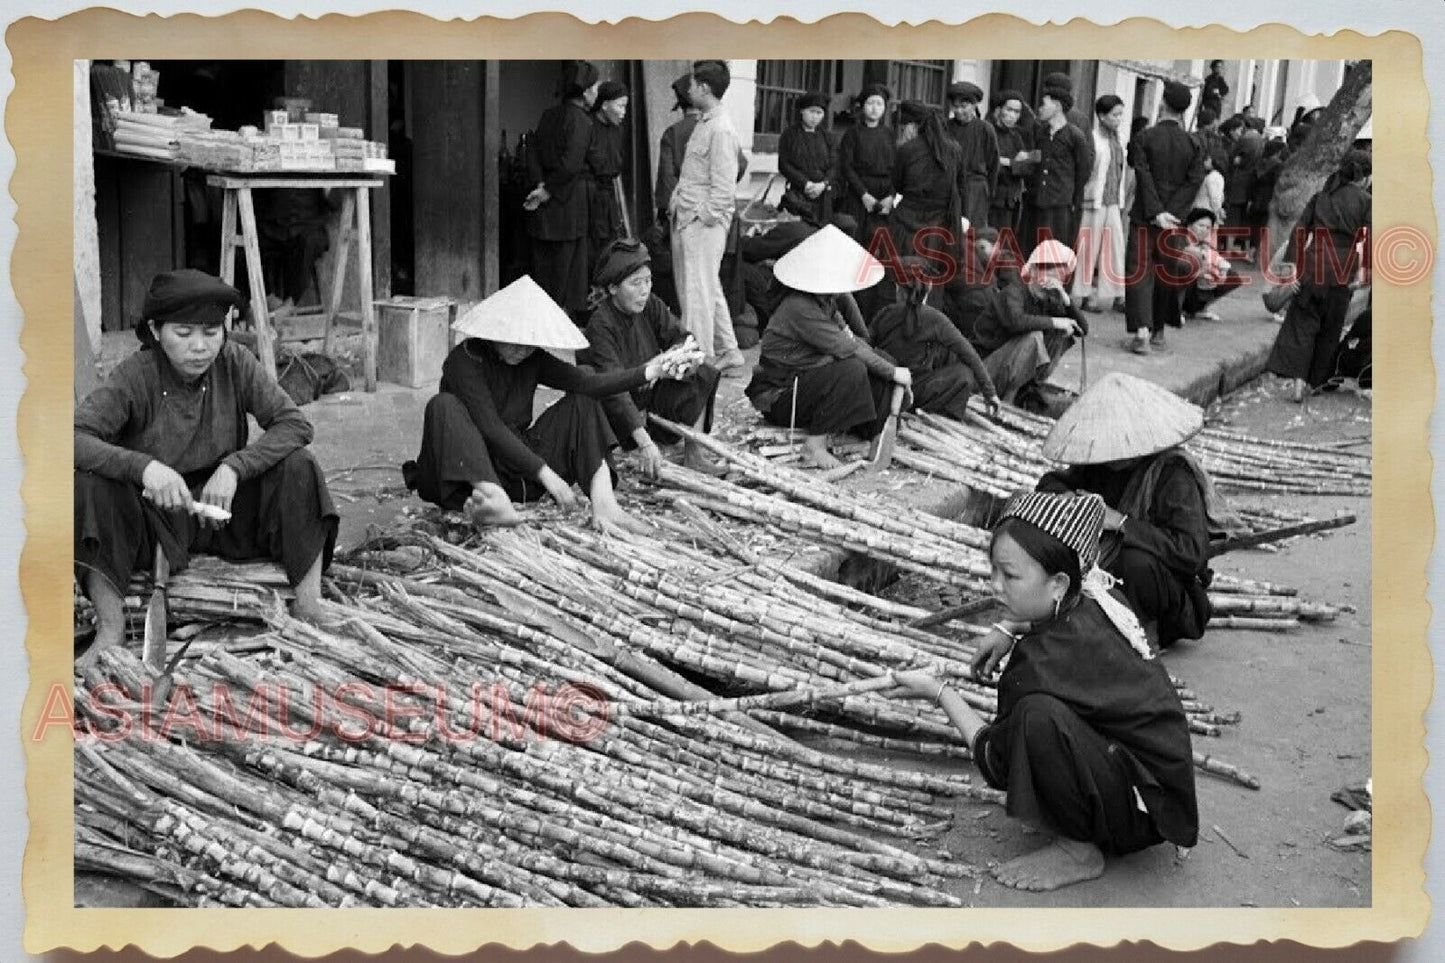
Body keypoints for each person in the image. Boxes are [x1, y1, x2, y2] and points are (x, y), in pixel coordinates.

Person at [893, 491, 1198, 892]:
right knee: (1043, 714)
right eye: (994, 571)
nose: (995, 586)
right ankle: (1090, 814)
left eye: (1011, 576)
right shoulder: (1098, 600)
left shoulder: (1042, 663)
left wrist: (939, 693)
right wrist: (1009, 626)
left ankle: (1078, 849)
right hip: (1162, 796)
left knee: (1037, 716)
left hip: (1142, 813)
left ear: (1058, 583)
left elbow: (995, 762)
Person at [75, 270, 339, 662]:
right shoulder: (135, 375)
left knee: (298, 467)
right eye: (183, 334)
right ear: (156, 329)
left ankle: (309, 605)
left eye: (211, 332)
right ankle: (111, 629)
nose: (199, 347)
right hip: (153, 521)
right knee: (90, 484)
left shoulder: (235, 362)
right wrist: (144, 468)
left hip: (222, 513)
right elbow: (74, 437)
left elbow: (294, 424)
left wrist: (235, 467)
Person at [403, 275, 698, 537]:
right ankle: (494, 500)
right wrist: (547, 475)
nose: (521, 350)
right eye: (513, 342)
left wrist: (649, 371)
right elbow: (490, 427)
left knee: (583, 399)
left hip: (517, 471)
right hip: (469, 476)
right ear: (493, 334)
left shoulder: (531, 357)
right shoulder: (465, 360)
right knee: (443, 405)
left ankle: (606, 504)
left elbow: (588, 384)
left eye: (528, 344)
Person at [1035, 372, 1242, 648]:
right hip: (1106, 585)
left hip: (1173, 598)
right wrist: (1070, 498)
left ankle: (1146, 636)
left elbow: (1191, 552)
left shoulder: (1172, 474)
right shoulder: (1100, 464)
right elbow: (1051, 482)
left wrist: (1120, 522)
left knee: (1135, 563)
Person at [744, 224, 912, 470]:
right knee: (853, 369)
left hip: (809, 381)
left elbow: (854, 338)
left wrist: (889, 368)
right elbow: (849, 348)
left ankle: (875, 433)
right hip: (781, 394)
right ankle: (814, 445)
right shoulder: (799, 307)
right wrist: (893, 372)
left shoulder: (826, 302)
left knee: (879, 359)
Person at [580, 238, 724, 476]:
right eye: (635, 283)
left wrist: (671, 360)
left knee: (703, 368)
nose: (644, 290)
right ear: (613, 288)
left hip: (649, 393)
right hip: (615, 410)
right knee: (611, 398)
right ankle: (641, 444)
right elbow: (614, 389)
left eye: (648, 281)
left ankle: (694, 453)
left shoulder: (650, 304)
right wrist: (644, 442)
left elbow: (684, 339)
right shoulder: (601, 325)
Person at [1266, 149, 1372, 401]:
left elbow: (1299, 231)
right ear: (1365, 177)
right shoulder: (1366, 201)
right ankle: (1315, 382)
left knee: (1302, 324)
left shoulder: (1322, 196)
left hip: (1312, 266)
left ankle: (1298, 382)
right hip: (1343, 270)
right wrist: (1364, 273)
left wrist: (1292, 265)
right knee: (1330, 327)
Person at [945, 231, 1085, 410]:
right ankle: (1008, 398)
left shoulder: (1049, 298)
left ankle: (1026, 388)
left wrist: (1066, 300)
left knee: (1063, 335)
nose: (1056, 281)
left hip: (1004, 370)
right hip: (982, 371)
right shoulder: (1014, 292)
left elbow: (1083, 329)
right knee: (1034, 337)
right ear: (1035, 270)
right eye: (1051, 273)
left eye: (1060, 276)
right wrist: (1055, 321)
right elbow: (1017, 322)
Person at [669, 60, 746, 373]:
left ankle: (696, 359)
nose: (688, 90)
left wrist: (703, 217)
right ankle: (730, 350)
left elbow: (724, 190)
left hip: (704, 223)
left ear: (704, 88)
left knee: (697, 293)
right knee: (707, 287)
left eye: (692, 84)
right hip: (692, 217)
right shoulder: (706, 122)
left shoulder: (721, 129)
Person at [1123, 80, 1207, 355]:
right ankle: (1159, 330)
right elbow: (1193, 182)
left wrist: (1156, 211)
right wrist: (1172, 212)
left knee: (1140, 270)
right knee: (1166, 272)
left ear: (1162, 104)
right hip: (1175, 221)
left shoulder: (1144, 138)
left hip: (1145, 217)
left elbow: (1143, 176)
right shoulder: (1194, 143)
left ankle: (1142, 332)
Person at [869, 256, 999, 420]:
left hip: (884, 390)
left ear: (897, 288)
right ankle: (935, 416)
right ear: (929, 287)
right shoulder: (936, 319)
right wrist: (990, 393)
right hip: (914, 392)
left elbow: (867, 345)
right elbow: (969, 355)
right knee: (963, 373)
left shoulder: (885, 313)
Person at [525, 61, 601, 316]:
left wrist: (540, 185)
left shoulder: (548, 115)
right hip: (567, 209)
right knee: (566, 283)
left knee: (542, 279)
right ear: (585, 91)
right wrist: (548, 190)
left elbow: (532, 150)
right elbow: (571, 165)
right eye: (595, 87)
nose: (597, 92)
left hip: (544, 209)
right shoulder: (582, 121)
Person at [1024, 74, 1092, 256]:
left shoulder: (1075, 136)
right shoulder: (1040, 132)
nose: (1040, 109)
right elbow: (1035, 161)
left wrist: (1070, 197)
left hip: (1060, 205)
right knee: (1034, 250)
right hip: (1038, 202)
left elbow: (1083, 171)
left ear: (1058, 107)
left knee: (1055, 252)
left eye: (1044, 104)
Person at [1072, 95, 1128, 313]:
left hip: (1113, 200)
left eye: (1120, 114)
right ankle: (1083, 295)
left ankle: (1117, 294)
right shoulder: (1093, 139)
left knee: (1115, 247)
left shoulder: (1120, 139)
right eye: (1115, 114)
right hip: (1093, 200)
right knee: (1088, 248)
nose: (1118, 119)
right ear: (1102, 116)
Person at [889, 99, 962, 264]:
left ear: (913, 126)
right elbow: (960, 184)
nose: (903, 132)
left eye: (903, 127)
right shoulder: (954, 149)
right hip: (940, 226)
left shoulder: (907, 150)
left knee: (904, 272)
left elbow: (897, 184)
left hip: (907, 223)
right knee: (934, 276)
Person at [837, 83, 896, 251]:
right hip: (859, 194)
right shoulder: (853, 133)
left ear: (884, 108)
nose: (874, 108)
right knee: (856, 243)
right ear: (862, 106)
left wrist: (891, 196)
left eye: (879, 104)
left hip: (884, 195)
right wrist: (864, 195)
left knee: (884, 243)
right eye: (870, 103)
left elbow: (896, 169)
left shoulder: (889, 134)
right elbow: (846, 167)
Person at [585, 80, 631, 272]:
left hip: (609, 197)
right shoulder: (587, 126)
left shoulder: (617, 130)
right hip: (589, 196)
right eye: (620, 106)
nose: (623, 112)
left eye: (625, 106)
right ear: (604, 105)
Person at [944, 80, 999, 231]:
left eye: (963, 106)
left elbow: (993, 163)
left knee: (974, 233)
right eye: (955, 107)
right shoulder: (945, 128)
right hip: (951, 187)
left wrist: (988, 194)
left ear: (974, 106)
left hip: (976, 189)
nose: (959, 111)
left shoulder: (985, 129)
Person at [778, 91, 836, 227]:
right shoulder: (789, 135)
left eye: (819, 113)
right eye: (811, 111)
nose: (815, 117)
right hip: (799, 192)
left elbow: (834, 165)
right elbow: (784, 164)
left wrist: (824, 184)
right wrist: (806, 184)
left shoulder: (827, 137)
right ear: (802, 111)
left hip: (822, 194)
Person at [1179, 207, 1247, 322]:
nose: (1204, 230)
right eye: (1201, 226)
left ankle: (1199, 309)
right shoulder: (1179, 240)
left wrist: (1223, 271)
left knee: (1232, 277)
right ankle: (1176, 310)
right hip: (1182, 285)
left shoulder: (1204, 244)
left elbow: (1218, 259)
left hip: (1200, 285)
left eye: (1208, 227)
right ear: (1189, 226)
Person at [989, 89, 1034, 238]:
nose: (1012, 116)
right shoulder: (989, 132)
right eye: (1009, 110)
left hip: (1012, 201)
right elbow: (991, 165)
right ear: (998, 110)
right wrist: (1015, 164)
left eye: (1017, 112)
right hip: (993, 199)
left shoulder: (1017, 135)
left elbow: (1030, 165)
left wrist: (1007, 162)